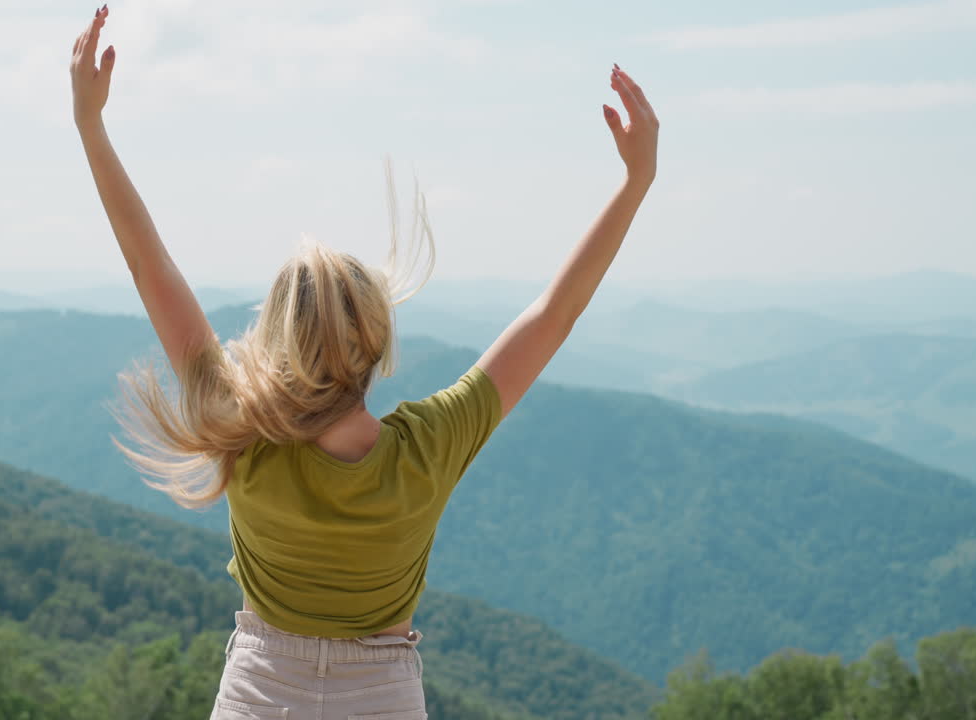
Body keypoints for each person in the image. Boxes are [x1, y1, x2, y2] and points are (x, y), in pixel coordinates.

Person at [70, 5, 658, 718]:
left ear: (277, 343)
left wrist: (91, 127)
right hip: (382, 695)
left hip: (261, 690)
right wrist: (634, 185)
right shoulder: (430, 447)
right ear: (376, 345)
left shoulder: (240, 427)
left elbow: (148, 266)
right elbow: (552, 317)